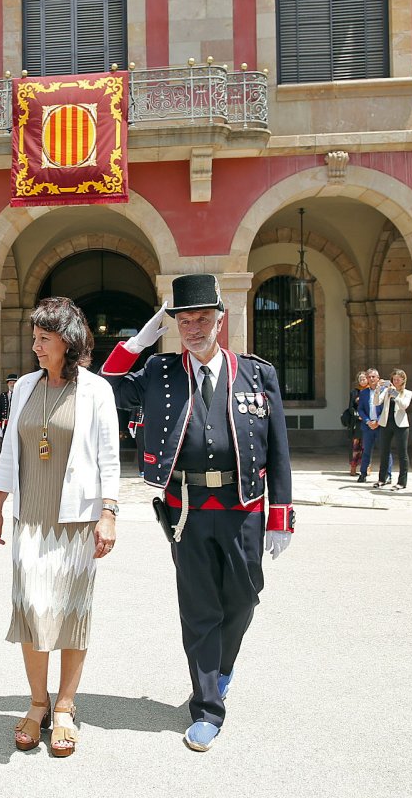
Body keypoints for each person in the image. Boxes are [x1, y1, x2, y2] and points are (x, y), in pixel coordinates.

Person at [100, 274, 294, 753]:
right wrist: (141, 340)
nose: (193, 327)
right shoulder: (159, 372)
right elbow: (106, 385)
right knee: (200, 609)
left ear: (220, 320)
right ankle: (207, 705)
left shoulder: (256, 373)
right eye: (184, 320)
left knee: (244, 601)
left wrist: (280, 515)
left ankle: (222, 669)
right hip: (185, 509)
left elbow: (278, 450)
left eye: (202, 317)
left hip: (242, 508)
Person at [0, 297, 120, 758]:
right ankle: (37, 703)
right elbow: (10, 451)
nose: (36, 347)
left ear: (68, 342)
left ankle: (64, 707)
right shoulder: (24, 385)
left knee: (70, 612)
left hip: (76, 522)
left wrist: (109, 513)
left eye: (45, 339)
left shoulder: (96, 391)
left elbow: (109, 456)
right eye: (35, 338)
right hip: (30, 520)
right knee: (31, 610)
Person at [372, 369, 412, 490]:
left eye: (397, 380)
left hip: (401, 425)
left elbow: (404, 405)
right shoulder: (388, 391)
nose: (395, 381)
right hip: (386, 423)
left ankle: (402, 482)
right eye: (393, 379)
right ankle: (382, 479)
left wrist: (395, 394)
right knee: (384, 451)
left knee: (402, 453)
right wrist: (378, 389)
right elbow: (376, 402)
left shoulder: (407, 392)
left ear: (403, 380)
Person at [356, 368, 384, 483]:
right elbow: (360, 409)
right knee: (366, 451)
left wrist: (377, 421)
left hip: (381, 426)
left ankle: (387, 475)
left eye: (373, 377)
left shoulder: (385, 391)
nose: (371, 379)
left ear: (378, 378)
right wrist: (367, 421)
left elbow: (386, 409)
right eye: (369, 377)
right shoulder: (364, 393)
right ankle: (363, 473)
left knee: (384, 450)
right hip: (368, 426)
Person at [348, 372, 366, 476]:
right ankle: (353, 466)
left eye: (364, 379)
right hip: (358, 422)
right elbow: (350, 407)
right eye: (361, 379)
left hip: (367, 421)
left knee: (366, 446)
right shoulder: (354, 392)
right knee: (356, 445)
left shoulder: (371, 391)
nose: (363, 381)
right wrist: (357, 415)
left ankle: (366, 466)